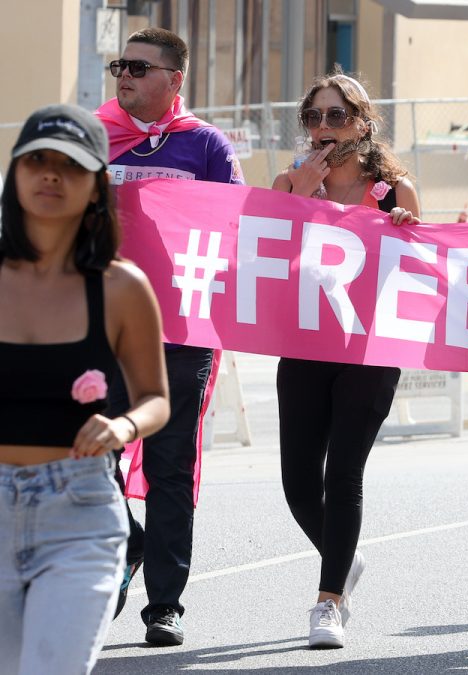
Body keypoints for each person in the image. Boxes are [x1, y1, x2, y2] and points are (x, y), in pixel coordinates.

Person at [0, 104, 169, 674]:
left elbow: (155, 398)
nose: (51, 175)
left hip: (79, 513)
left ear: (97, 186)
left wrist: (122, 426)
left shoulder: (121, 287)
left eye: (70, 165)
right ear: (15, 173)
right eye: (38, 161)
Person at [96, 27, 244, 646]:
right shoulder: (94, 138)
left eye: (138, 67)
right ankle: (127, 542)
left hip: (182, 332)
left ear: (174, 80)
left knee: (169, 466)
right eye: (118, 66)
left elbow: (240, 228)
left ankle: (164, 603)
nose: (123, 76)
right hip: (96, 330)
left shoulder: (206, 145)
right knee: (87, 453)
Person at [271, 71, 419, 649]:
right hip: (305, 343)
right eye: (314, 117)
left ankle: (328, 601)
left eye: (337, 116)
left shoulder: (393, 188)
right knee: (298, 480)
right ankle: (345, 559)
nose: (324, 128)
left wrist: (408, 232)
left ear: (363, 123)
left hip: (368, 347)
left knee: (344, 472)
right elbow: (261, 253)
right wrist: (299, 194)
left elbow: (417, 274)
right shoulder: (289, 180)